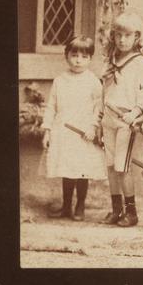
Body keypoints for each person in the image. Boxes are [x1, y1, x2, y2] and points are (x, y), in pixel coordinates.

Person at [41, 36, 107, 221]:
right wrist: (47, 131)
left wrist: (93, 127)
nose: (78, 60)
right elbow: (51, 106)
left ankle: (80, 206)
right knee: (67, 169)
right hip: (63, 131)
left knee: (81, 170)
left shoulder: (93, 81)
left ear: (90, 59)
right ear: (66, 56)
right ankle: (66, 206)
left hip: (83, 133)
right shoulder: (60, 80)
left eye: (84, 57)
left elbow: (99, 108)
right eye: (74, 55)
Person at [100, 11, 143, 227]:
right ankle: (116, 209)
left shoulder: (140, 63)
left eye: (127, 35)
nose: (122, 40)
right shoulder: (110, 61)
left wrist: (136, 112)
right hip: (109, 119)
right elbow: (104, 92)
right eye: (118, 35)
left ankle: (131, 213)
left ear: (137, 37)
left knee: (122, 167)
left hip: (126, 121)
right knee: (111, 166)